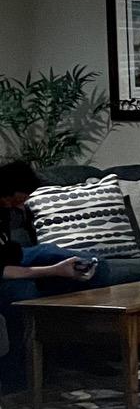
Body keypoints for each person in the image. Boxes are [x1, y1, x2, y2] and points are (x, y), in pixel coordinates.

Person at [2, 160, 102, 391]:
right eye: (20, 198)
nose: (22, 204)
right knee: (23, 292)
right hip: (4, 272)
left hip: (10, 257)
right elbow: (4, 271)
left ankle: (86, 356)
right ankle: (18, 375)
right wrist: (57, 270)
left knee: (71, 258)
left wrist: (69, 267)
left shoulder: (6, 208)